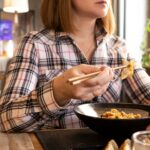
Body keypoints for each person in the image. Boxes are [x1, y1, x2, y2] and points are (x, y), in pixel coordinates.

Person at [0, 0, 149, 132]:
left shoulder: (119, 47)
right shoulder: (35, 44)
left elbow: (146, 94)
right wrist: (58, 93)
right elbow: (6, 120)